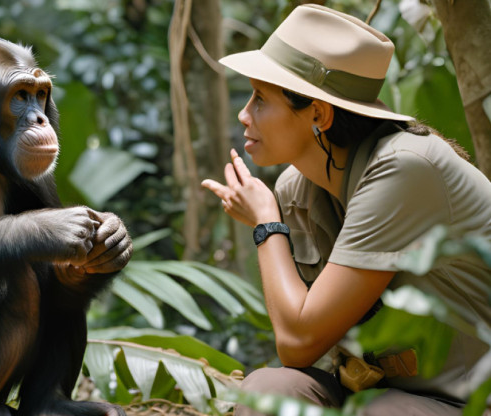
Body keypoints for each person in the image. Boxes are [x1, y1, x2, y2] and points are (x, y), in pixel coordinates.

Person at [200, 4, 491, 415]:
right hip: (376, 396)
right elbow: (297, 357)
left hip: (466, 401)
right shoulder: (295, 188)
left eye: (261, 98)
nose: (244, 113)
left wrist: (267, 224)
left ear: (318, 113)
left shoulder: (406, 167)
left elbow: (298, 340)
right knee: (269, 389)